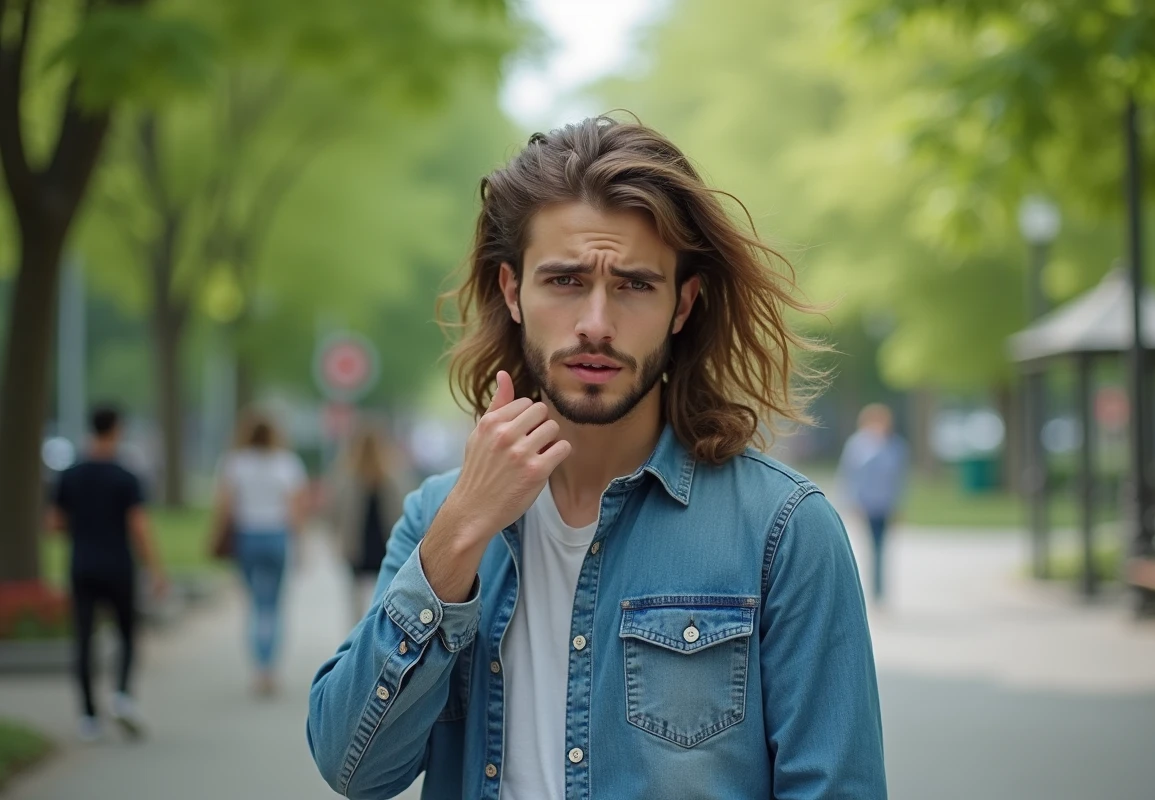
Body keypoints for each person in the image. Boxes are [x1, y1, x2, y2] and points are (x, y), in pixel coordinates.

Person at [308, 117, 886, 799]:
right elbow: (353, 769)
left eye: (636, 285)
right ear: (511, 291)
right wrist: (459, 537)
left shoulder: (783, 531)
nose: (597, 324)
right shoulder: (439, 515)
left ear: (683, 304)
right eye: (565, 280)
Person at [48, 405, 168, 742]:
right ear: (116, 430)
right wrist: (156, 570)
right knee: (127, 633)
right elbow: (139, 526)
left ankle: (88, 716)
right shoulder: (126, 477)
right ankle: (122, 695)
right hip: (119, 566)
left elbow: (54, 522)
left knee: (83, 639)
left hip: (82, 565)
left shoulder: (69, 475)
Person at [211, 411, 308, 696]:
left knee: (255, 605)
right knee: (274, 606)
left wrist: (218, 536)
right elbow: (295, 510)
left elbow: (225, 506)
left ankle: (258, 666)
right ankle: (270, 669)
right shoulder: (287, 464)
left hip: (247, 537)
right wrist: (300, 545)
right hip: (277, 536)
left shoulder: (235, 463)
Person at [326, 422, 415, 622]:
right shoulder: (394, 476)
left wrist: (336, 538)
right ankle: (378, 630)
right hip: (386, 543)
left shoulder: (345, 476)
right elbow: (407, 507)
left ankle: (358, 634)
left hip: (357, 544)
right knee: (385, 593)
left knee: (356, 597)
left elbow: (333, 513)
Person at [838, 403, 910, 605]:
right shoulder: (857, 445)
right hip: (866, 504)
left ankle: (880, 592)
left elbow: (900, 479)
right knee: (870, 548)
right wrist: (850, 502)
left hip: (886, 505)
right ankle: (870, 591)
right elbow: (849, 475)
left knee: (882, 549)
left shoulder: (896, 446)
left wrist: (899, 505)